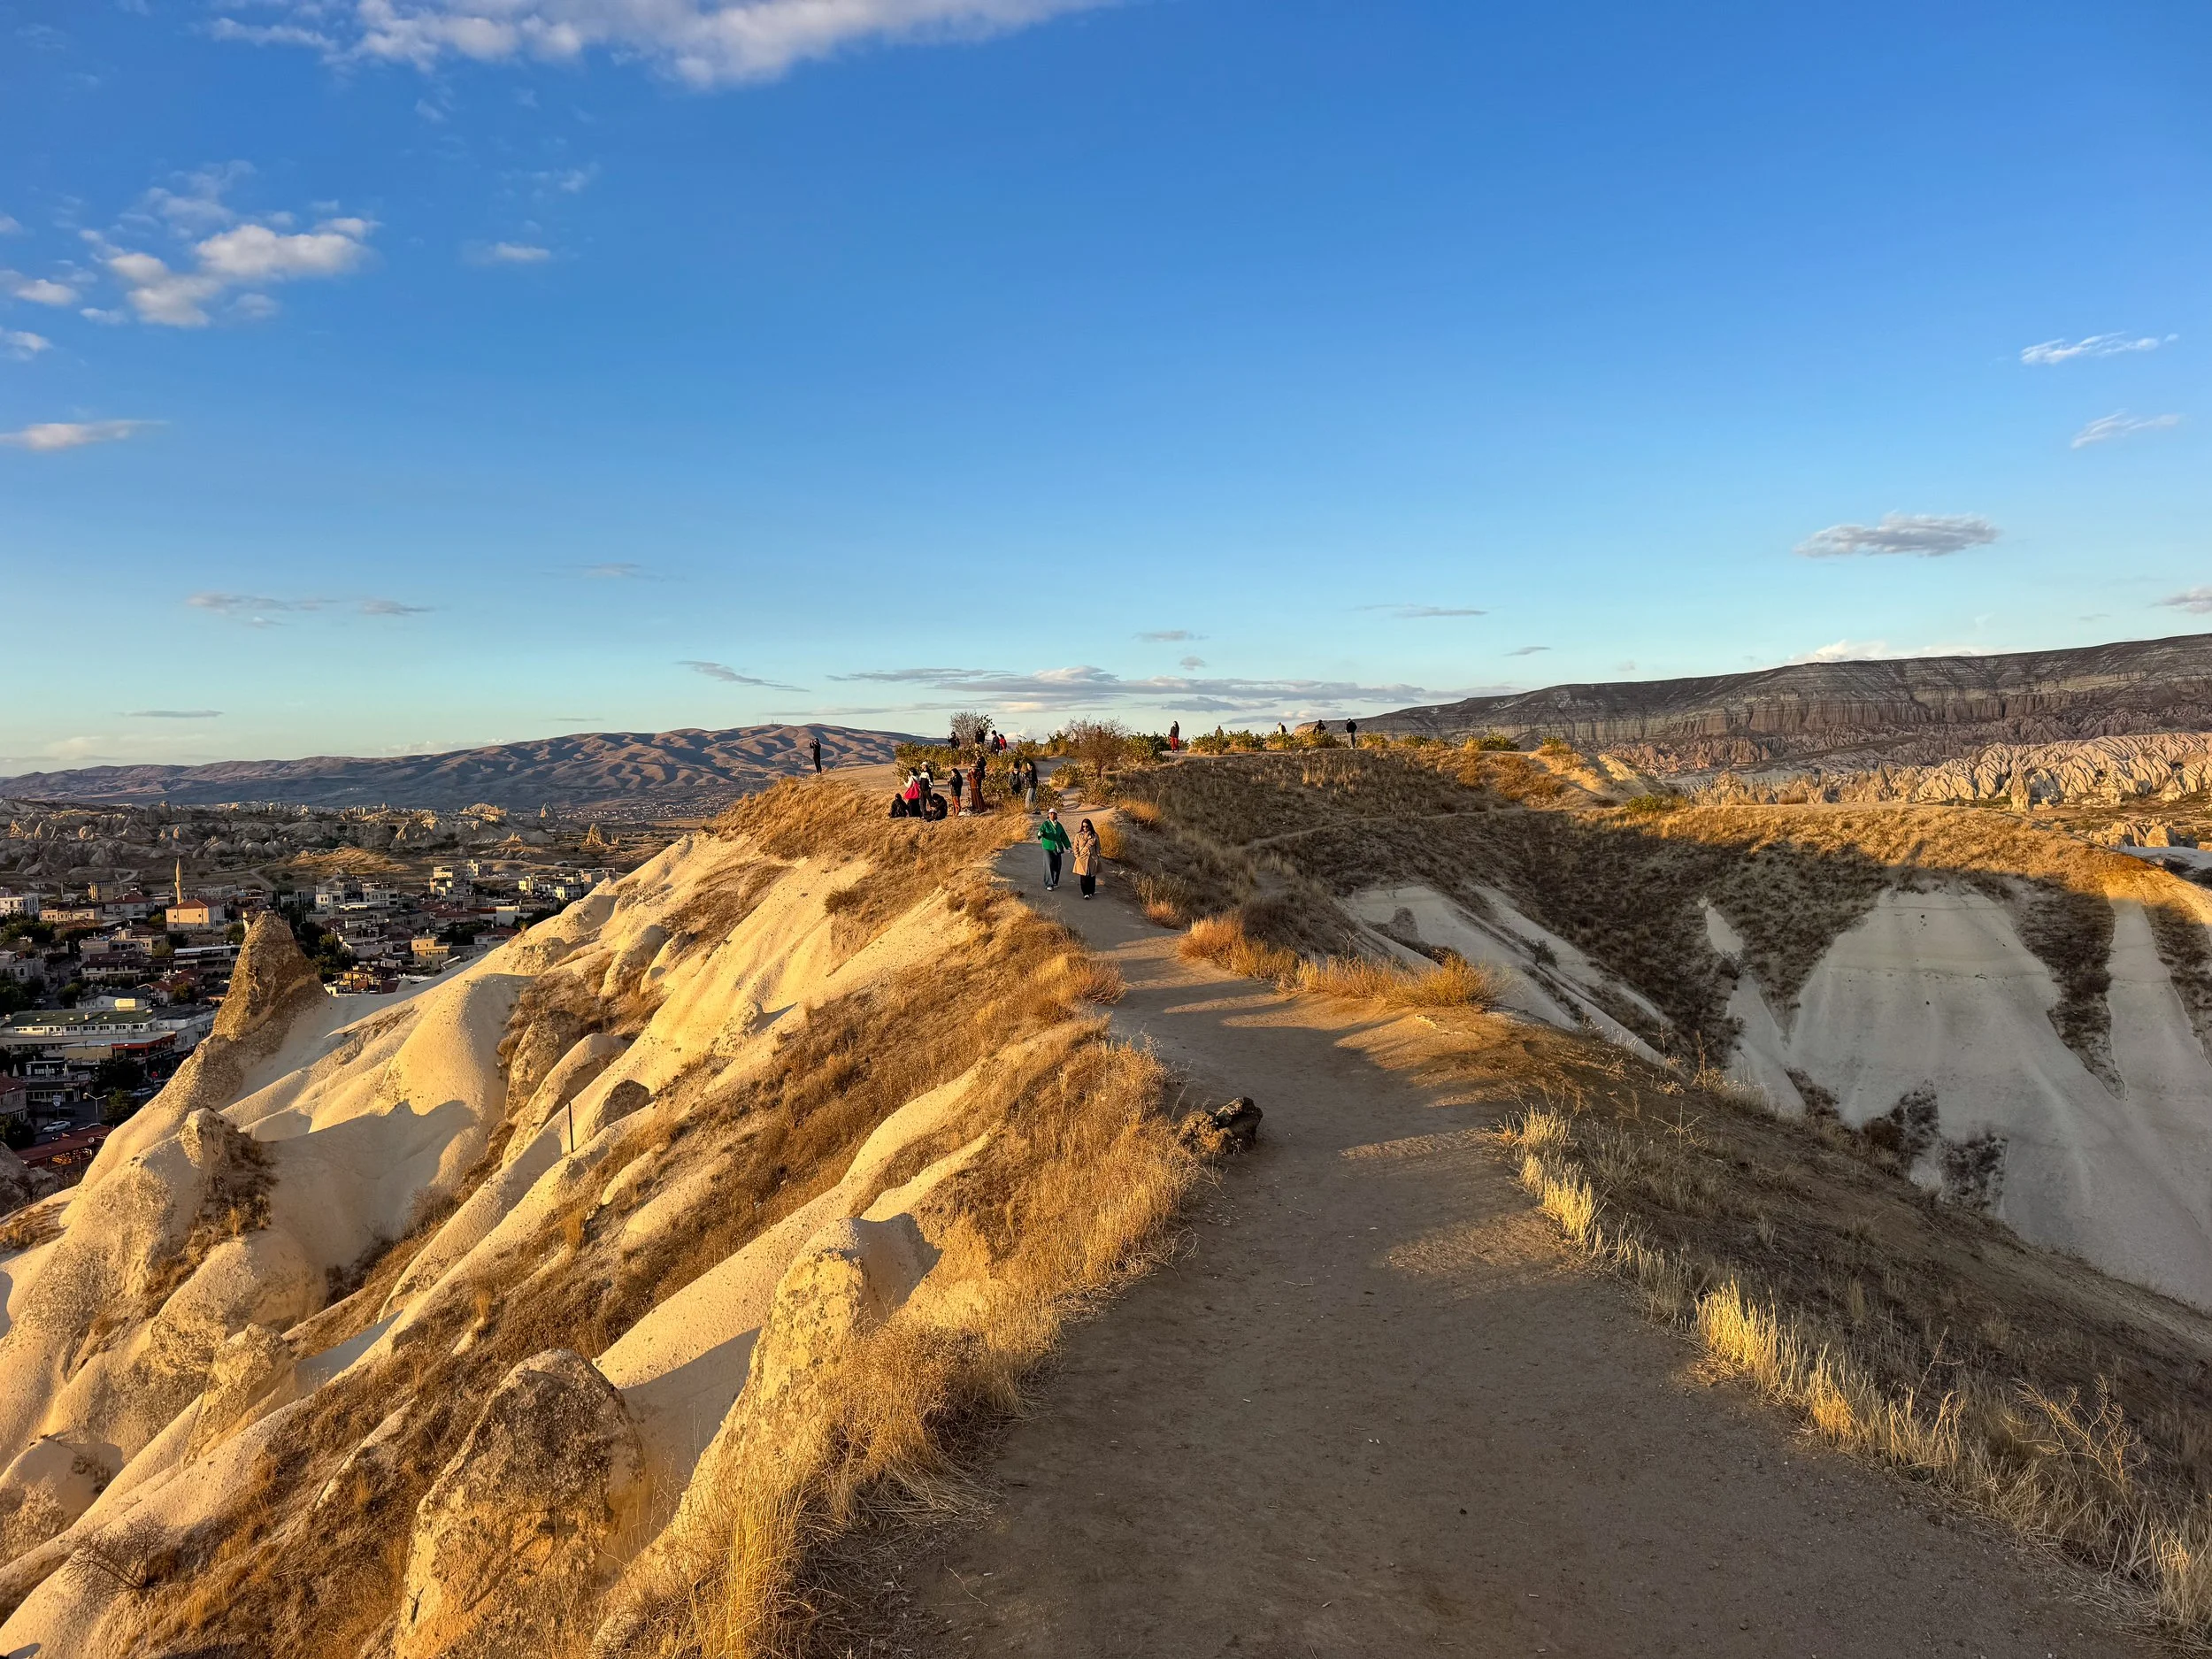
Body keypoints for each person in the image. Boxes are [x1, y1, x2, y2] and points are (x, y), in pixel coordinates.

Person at [1038, 808, 1071, 890]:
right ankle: (1049, 884)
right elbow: (1041, 832)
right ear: (1048, 815)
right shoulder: (1045, 824)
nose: (1052, 815)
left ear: (1056, 815)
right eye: (1051, 813)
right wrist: (1040, 834)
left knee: (1057, 865)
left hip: (1057, 848)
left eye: (1054, 813)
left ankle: (1055, 882)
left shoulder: (1059, 825)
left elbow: (1063, 836)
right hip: (1047, 847)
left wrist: (1068, 846)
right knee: (1049, 864)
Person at [1072, 818, 1102, 900]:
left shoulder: (1095, 835)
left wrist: (1098, 855)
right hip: (1082, 857)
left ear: (1090, 826)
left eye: (1087, 826)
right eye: (1083, 827)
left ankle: (1091, 891)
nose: (1085, 828)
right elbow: (1075, 847)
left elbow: (1098, 846)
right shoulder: (1078, 835)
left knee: (1092, 875)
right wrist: (1077, 856)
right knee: (1084, 876)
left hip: (1092, 857)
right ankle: (1085, 893)